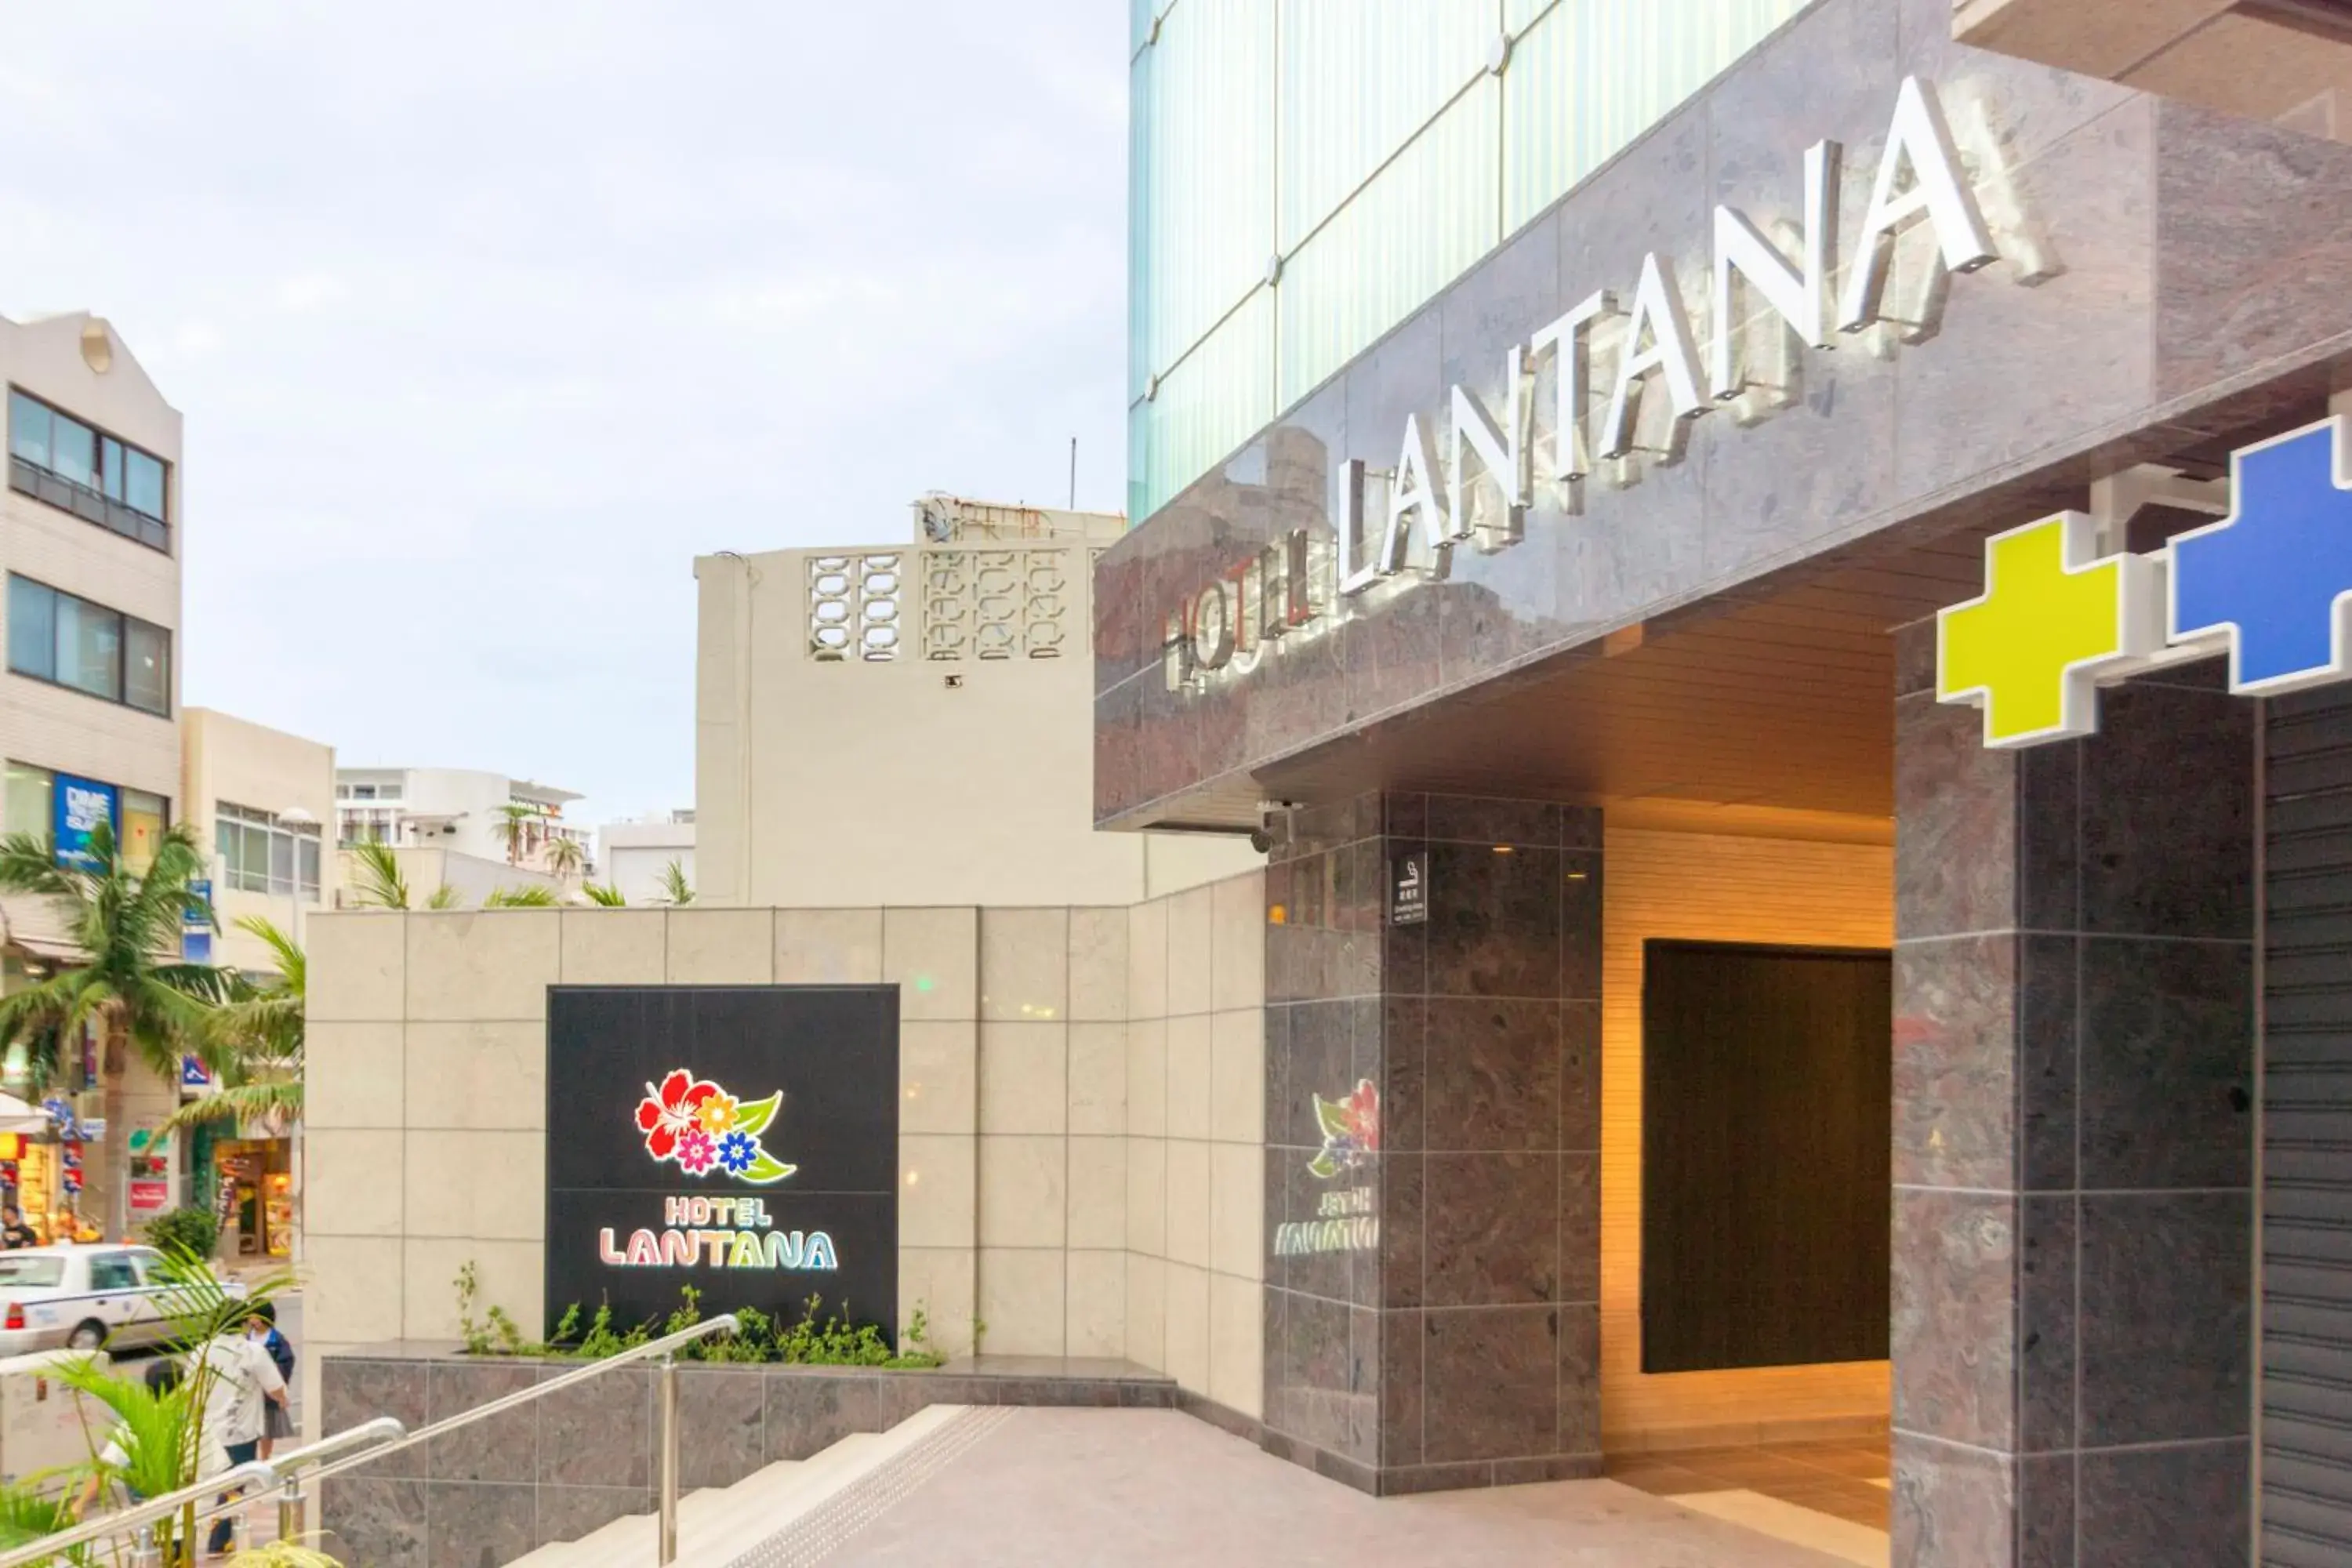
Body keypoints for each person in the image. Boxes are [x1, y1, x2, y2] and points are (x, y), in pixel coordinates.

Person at [198, 1312, 285, 1558]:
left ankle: (200, 1540)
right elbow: (276, 1387)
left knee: (216, 1485)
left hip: (206, 1429)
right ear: (243, 1324)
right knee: (233, 1485)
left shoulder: (201, 1351)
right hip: (240, 1430)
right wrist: (282, 1399)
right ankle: (218, 1541)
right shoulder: (252, 1352)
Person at [249, 1301, 296, 1460]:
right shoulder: (247, 1337)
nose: (252, 1320)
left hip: (268, 1393)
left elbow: (286, 1361)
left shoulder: (277, 1340)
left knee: (267, 1428)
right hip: (250, 1390)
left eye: (255, 1315)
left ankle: (265, 1457)